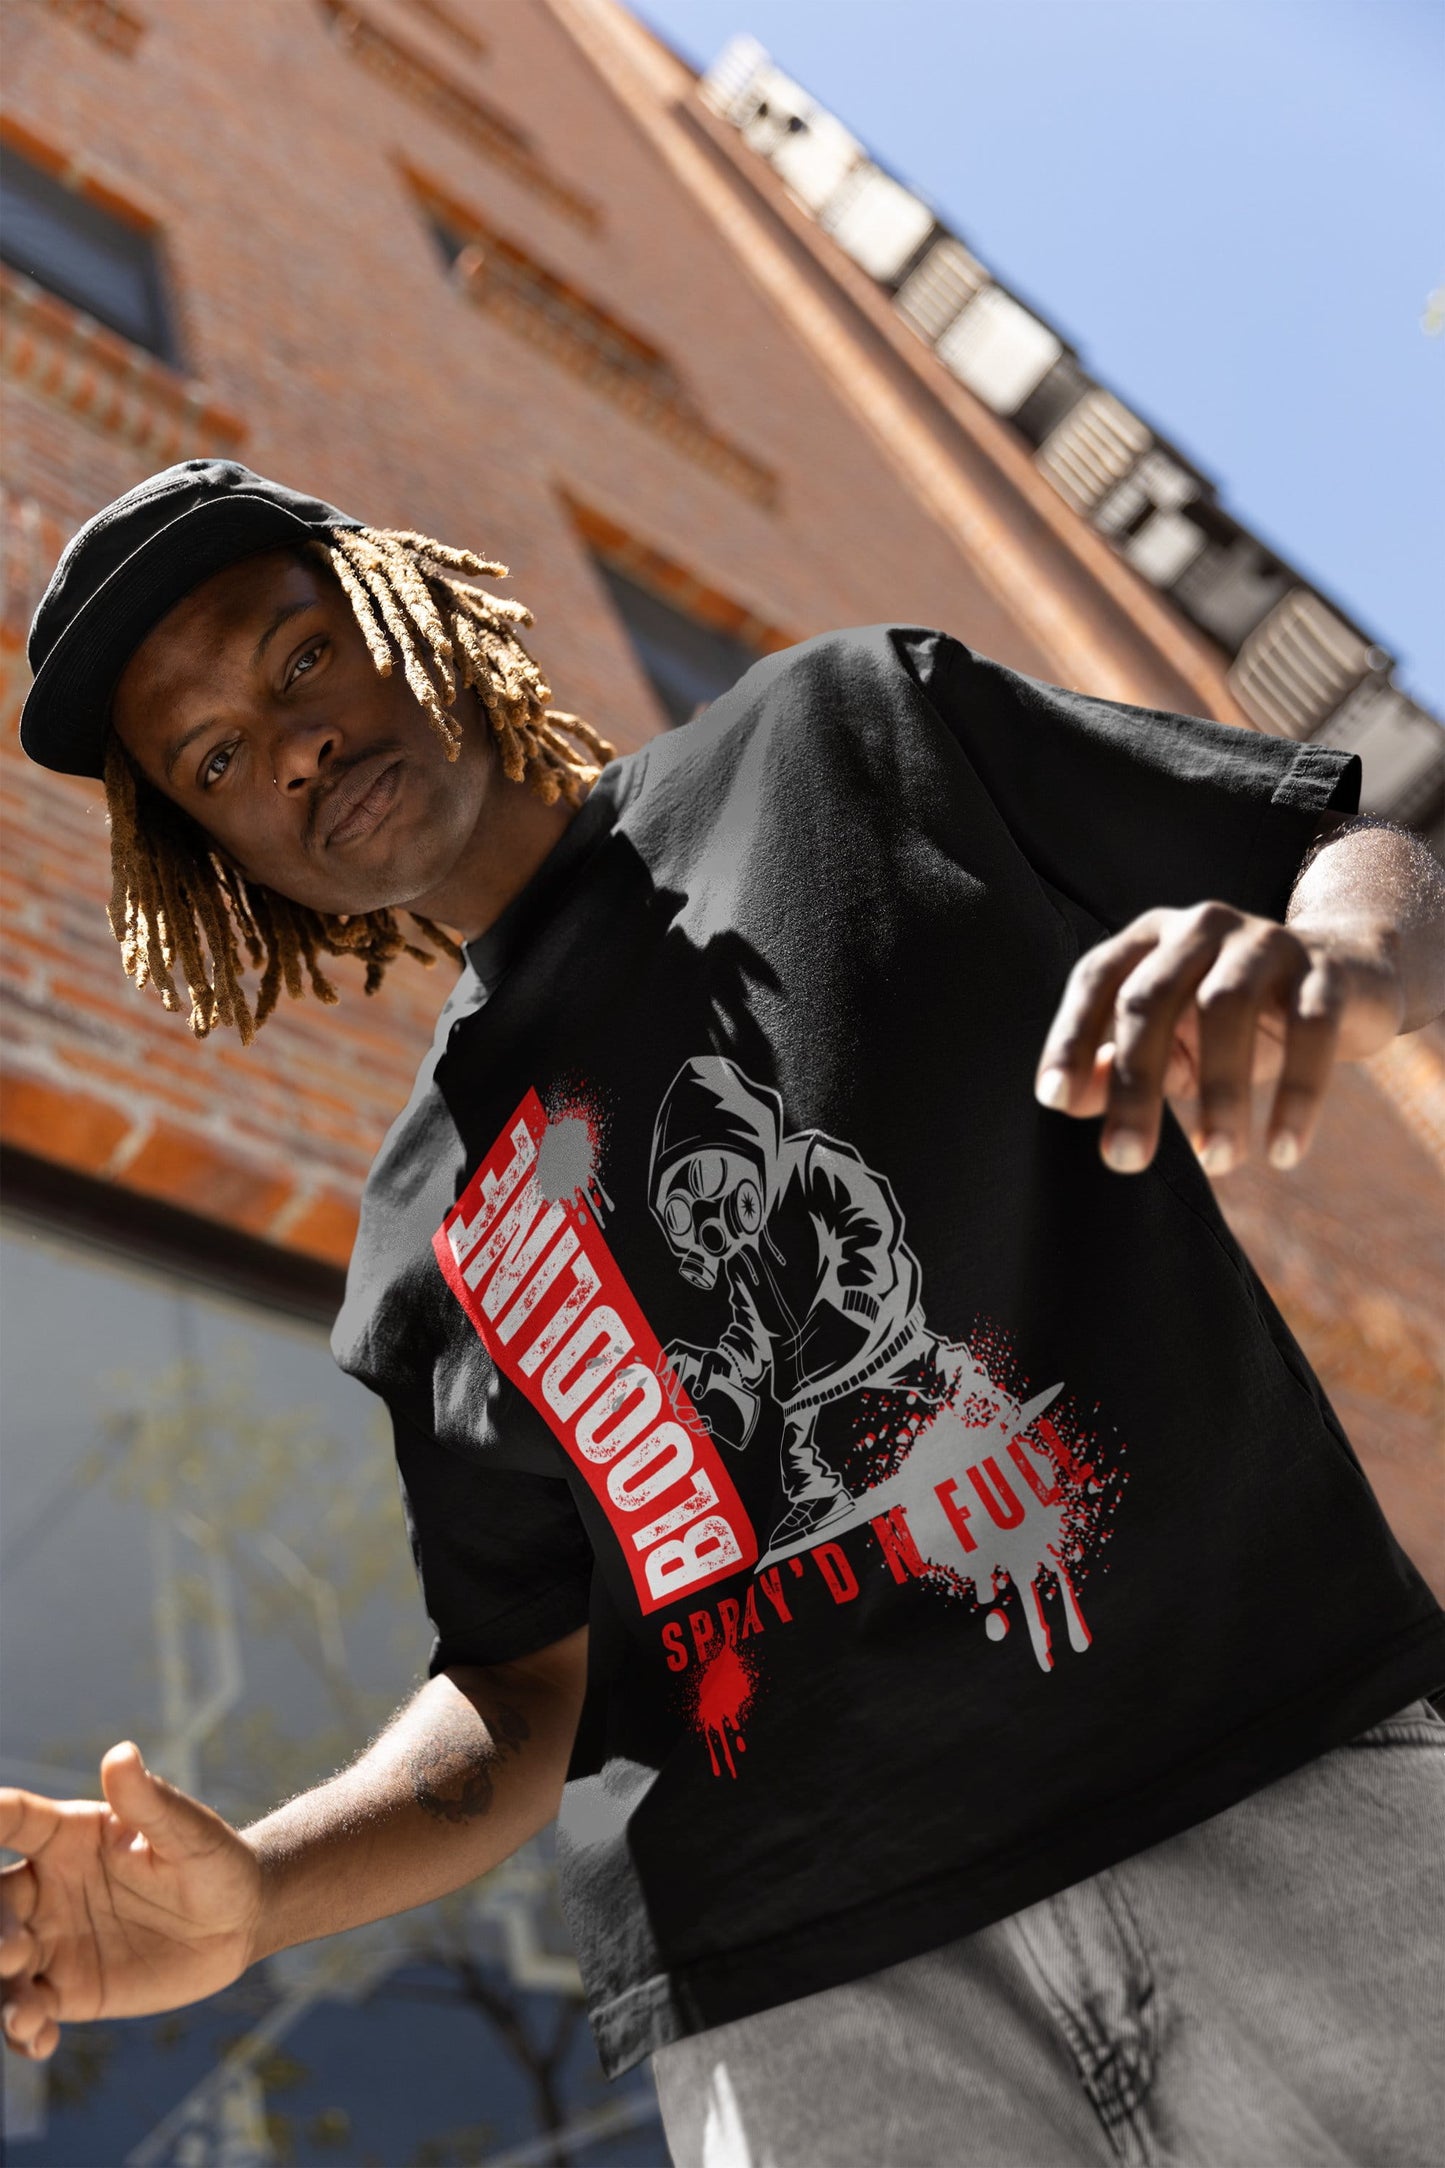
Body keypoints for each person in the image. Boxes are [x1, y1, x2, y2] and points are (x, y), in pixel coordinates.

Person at [2, 459, 1442, 2167]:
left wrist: (1341, 965)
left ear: (407, 607)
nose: (290, 747)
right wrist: (262, 1892)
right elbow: (521, 1691)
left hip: (1275, 1776)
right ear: (219, 854)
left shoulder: (847, 735)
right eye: (217, 761)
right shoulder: (417, 1234)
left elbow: (1345, 846)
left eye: (300, 656)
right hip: (811, 2008)